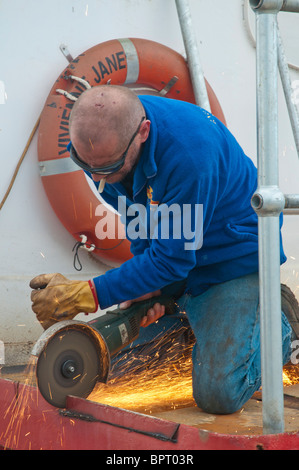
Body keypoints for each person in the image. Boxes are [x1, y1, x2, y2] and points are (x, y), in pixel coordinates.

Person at [30, 85, 295, 414]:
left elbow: (171, 261)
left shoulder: (190, 155)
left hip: (231, 261)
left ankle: (279, 323)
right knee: (116, 374)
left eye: (109, 168)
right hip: (179, 250)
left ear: (143, 132)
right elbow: (140, 222)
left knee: (219, 395)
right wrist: (146, 287)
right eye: (89, 167)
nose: (100, 178)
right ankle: (191, 325)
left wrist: (88, 293)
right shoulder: (100, 148)